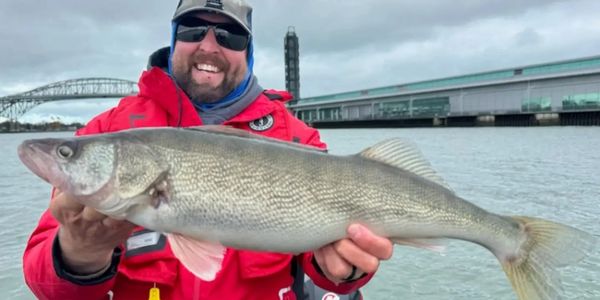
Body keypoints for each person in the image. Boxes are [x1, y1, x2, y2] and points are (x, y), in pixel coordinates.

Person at [22, 0, 394, 299]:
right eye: (193, 29)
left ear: (247, 51)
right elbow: (46, 287)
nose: (209, 45)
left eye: (230, 35)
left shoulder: (299, 139)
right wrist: (79, 255)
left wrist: (348, 270)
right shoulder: (106, 131)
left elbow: (331, 276)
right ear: (174, 38)